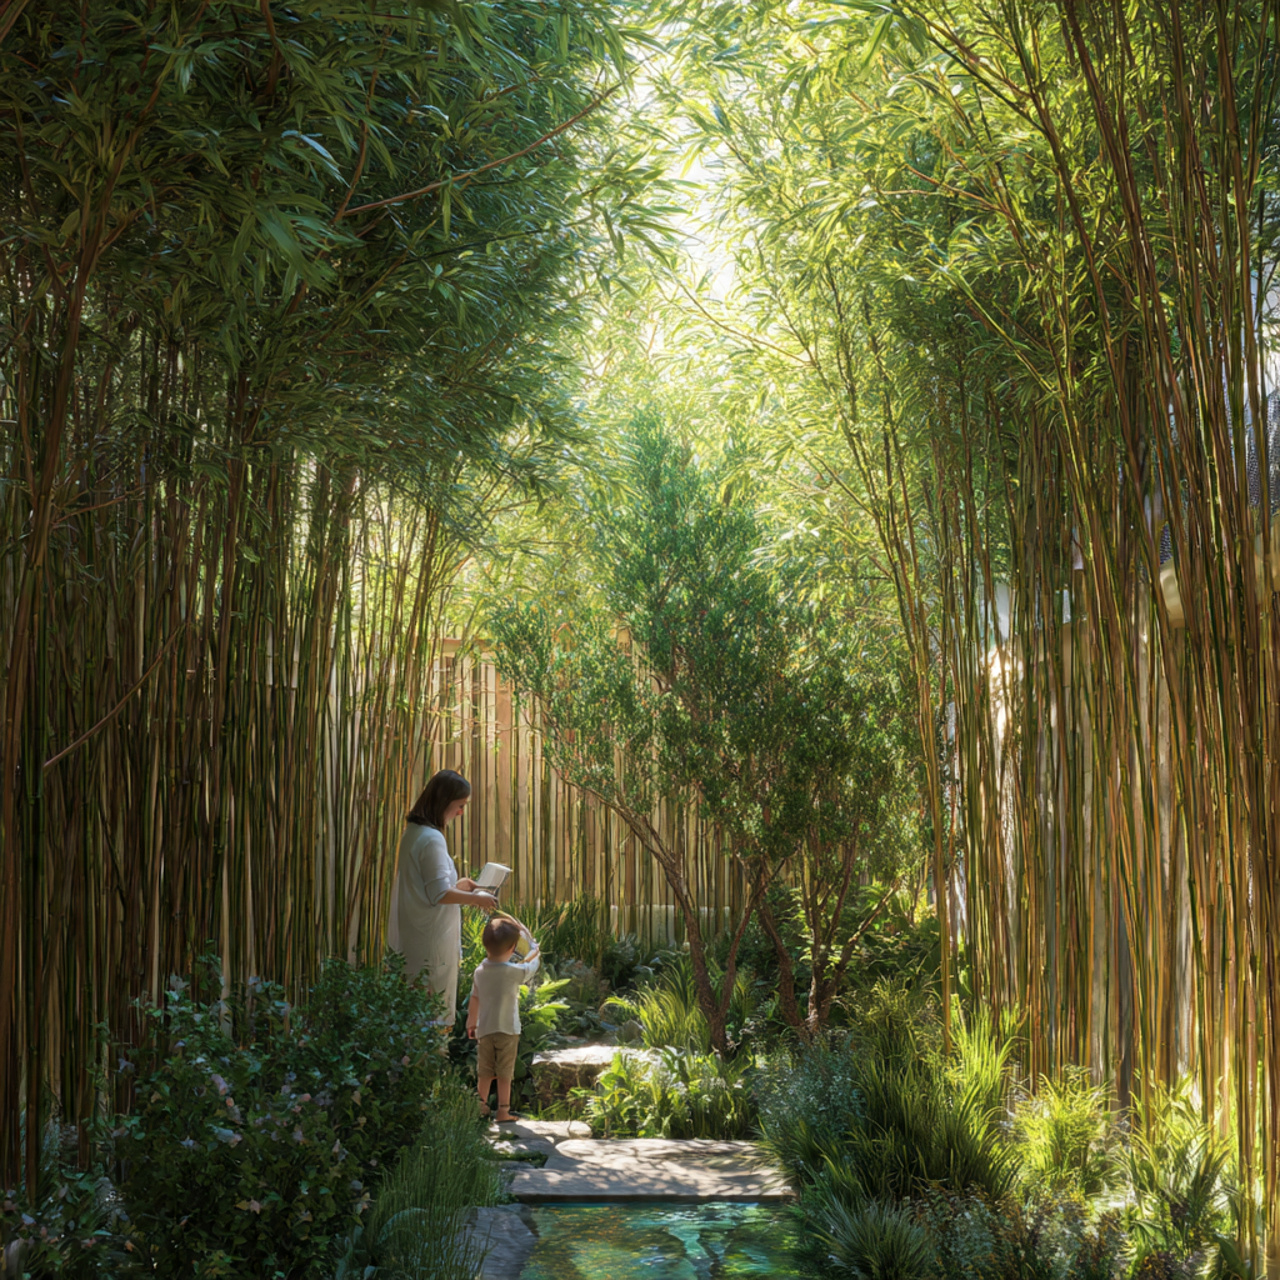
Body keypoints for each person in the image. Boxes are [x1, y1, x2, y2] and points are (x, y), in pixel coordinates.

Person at [387, 769, 496, 1024]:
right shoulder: (432, 839)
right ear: (444, 801)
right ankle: (432, 1061)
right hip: (431, 939)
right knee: (433, 1009)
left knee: (417, 1006)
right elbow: (438, 894)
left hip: (418, 933)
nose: (461, 813)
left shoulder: (413, 832)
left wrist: (459, 885)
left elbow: (426, 888)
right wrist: (478, 899)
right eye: (460, 806)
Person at [466, 916, 540, 1122]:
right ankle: (503, 1111)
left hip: (485, 1029)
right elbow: (533, 967)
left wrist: (471, 1022)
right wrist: (534, 949)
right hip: (508, 1030)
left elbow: (475, 997)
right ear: (513, 948)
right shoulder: (513, 972)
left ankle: (480, 1107)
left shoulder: (480, 972)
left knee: (485, 1071)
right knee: (505, 1073)